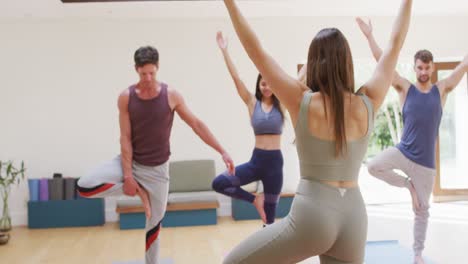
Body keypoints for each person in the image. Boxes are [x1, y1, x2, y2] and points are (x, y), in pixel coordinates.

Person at [221, 0, 413, 263]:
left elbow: (255, 50)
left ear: (313, 62)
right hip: (354, 215)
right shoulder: (368, 101)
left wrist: (229, 3)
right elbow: (395, 43)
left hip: (314, 213)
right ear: (346, 62)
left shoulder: (301, 100)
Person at [77, 46, 235, 264]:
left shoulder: (171, 96)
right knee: (84, 187)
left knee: (153, 225)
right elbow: (125, 138)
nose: (148, 78)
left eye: (152, 73)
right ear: (136, 70)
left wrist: (222, 150)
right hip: (131, 163)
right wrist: (129, 178)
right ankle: (140, 192)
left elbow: (196, 125)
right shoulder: (126, 97)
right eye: (143, 74)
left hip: (158, 172)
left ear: (158, 68)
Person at [357, 17, 468, 264]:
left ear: (432, 68)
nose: (424, 72)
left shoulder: (442, 89)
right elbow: (383, 63)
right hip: (403, 153)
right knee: (374, 166)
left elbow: (463, 65)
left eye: (427, 68)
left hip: (426, 165)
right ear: (415, 67)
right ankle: (408, 186)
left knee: (422, 211)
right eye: (419, 67)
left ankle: (418, 253)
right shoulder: (405, 88)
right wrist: (369, 37)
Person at [211, 31, 286, 226]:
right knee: (220, 183)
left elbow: (300, 78)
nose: (266, 86)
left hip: (275, 164)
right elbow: (236, 78)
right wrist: (225, 51)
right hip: (257, 161)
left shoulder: (283, 103)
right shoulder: (252, 102)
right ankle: (255, 200)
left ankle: (268, 253)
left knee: (269, 219)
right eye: (263, 83)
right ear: (259, 85)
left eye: (270, 82)